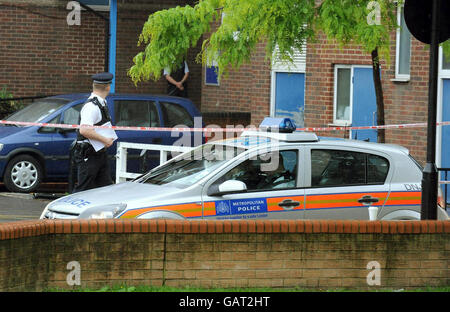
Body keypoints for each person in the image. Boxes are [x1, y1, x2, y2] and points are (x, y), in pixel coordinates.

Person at [71, 72, 116, 193]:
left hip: (99, 153)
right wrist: (105, 140)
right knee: (84, 190)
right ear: (108, 87)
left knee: (105, 189)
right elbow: (84, 130)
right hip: (88, 154)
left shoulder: (101, 103)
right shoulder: (91, 106)